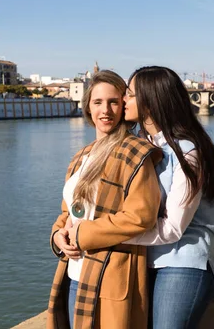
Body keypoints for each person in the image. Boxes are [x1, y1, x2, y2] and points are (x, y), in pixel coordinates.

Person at [47, 70, 162, 329]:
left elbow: (140, 217)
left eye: (113, 102)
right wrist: (58, 235)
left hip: (111, 273)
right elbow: (69, 213)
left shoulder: (136, 152)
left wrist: (82, 235)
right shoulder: (81, 157)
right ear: (88, 107)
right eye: (98, 102)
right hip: (74, 272)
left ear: (124, 106)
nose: (105, 110)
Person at [123, 66, 214, 329]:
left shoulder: (188, 152)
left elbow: (172, 228)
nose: (124, 100)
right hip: (142, 257)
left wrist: (109, 233)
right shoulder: (138, 145)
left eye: (130, 94)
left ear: (150, 101)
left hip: (183, 257)